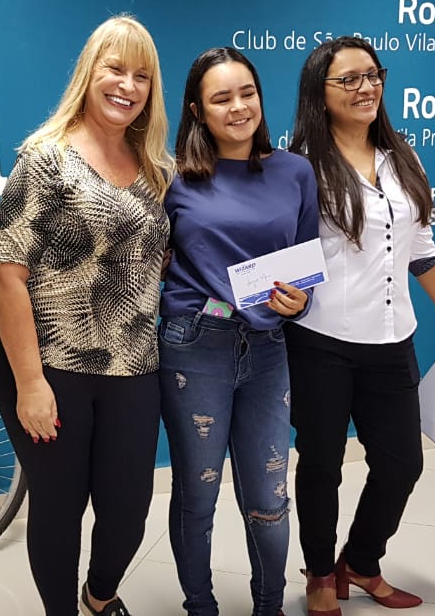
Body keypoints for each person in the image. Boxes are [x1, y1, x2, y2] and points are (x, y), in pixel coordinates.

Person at [0, 15, 173, 616]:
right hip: (50, 364)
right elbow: (6, 273)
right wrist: (31, 382)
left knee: (127, 510)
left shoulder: (156, 169)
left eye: (141, 75)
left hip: (134, 364)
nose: (127, 85)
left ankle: (99, 596)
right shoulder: (44, 159)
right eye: (114, 69)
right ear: (88, 74)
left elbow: (158, 265)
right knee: (60, 507)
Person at [286, 36, 435, 614]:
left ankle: (361, 563)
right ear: (320, 92)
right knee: (321, 464)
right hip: (321, 340)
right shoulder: (300, 166)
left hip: (393, 340)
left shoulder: (403, 156)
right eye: (349, 79)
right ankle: (320, 574)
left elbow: (420, 247)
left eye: (373, 75)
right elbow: (283, 252)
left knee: (401, 462)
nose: (366, 87)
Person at [158, 47, 319, 616]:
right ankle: (199, 606)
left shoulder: (295, 171)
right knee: (198, 495)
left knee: (270, 497)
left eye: (246, 92)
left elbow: (303, 268)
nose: (238, 106)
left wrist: (300, 302)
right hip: (194, 344)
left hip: (269, 349)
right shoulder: (172, 179)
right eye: (221, 98)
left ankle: (268, 607)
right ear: (198, 110)